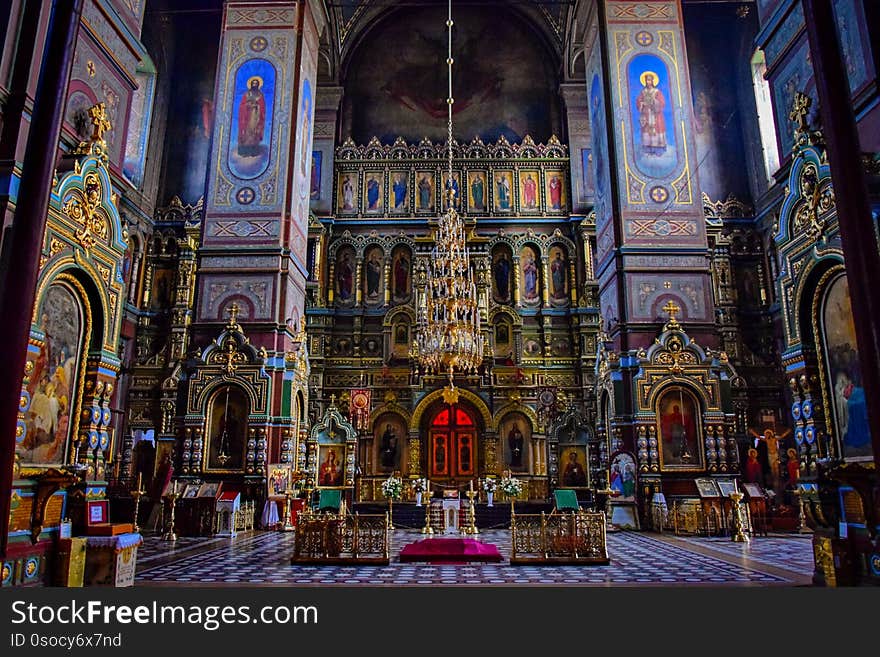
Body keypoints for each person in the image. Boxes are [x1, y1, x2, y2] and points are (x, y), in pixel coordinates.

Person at [635, 72, 667, 156]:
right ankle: (648, 150)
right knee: (646, 131)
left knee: (656, 130)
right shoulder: (643, 92)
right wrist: (641, 103)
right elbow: (638, 101)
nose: (648, 82)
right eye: (646, 80)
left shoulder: (657, 92)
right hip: (646, 114)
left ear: (652, 81)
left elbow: (662, 103)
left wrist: (655, 102)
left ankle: (658, 150)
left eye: (649, 80)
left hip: (655, 115)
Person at [237, 77, 265, 156]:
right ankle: (244, 151)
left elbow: (262, 107)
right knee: (246, 132)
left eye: (256, 84)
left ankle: (253, 151)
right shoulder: (246, 94)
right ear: (251, 85)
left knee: (254, 132)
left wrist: (257, 106)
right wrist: (247, 105)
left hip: (256, 115)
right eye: (253, 84)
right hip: (247, 116)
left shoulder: (260, 95)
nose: (255, 85)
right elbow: (242, 105)